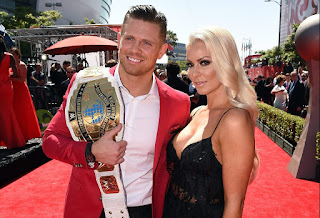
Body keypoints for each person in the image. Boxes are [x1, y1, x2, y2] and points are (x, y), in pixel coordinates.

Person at [42, 5, 190, 218]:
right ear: (119, 40)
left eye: (146, 42)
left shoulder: (178, 103)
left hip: (147, 210)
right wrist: (91, 151)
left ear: (162, 50)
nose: (135, 49)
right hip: (91, 208)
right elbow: (50, 140)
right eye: (129, 39)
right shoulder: (85, 84)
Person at [163, 26, 259, 217]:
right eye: (190, 64)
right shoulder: (197, 112)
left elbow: (235, 203)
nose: (193, 73)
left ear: (226, 63)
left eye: (204, 62)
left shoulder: (234, 120)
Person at [10, 47, 41, 141]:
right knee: (15, 113)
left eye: (13, 54)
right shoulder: (10, 65)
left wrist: (10, 79)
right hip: (13, 91)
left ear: (17, 55)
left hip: (21, 91)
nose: (11, 56)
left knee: (22, 113)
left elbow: (22, 80)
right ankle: (16, 135)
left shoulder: (22, 65)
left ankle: (25, 134)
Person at [0, 36, 26, 149]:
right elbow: (15, 74)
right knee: (8, 113)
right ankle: (13, 141)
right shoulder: (9, 56)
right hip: (6, 87)